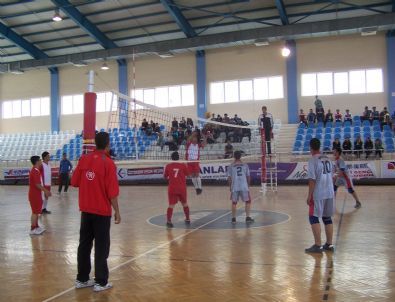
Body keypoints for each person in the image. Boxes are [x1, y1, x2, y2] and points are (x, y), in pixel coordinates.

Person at [71, 132, 121, 292]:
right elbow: (112, 193)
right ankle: (101, 281)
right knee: (101, 246)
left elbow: (74, 182)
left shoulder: (84, 159)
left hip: (85, 211)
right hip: (101, 212)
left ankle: (82, 279)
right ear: (107, 145)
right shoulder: (108, 163)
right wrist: (117, 211)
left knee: (84, 245)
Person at [305, 138, 335, 253]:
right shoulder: (327, 159)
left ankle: (318, 245)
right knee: (327, 218)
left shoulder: (312, 160)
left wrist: (309, 195)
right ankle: (329, 244)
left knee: (313, 217)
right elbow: (332, 175)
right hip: (330, 192)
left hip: (319, 193)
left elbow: (312, 180)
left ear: (310, 147)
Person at [163, 152, 190, 228]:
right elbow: (188, 175)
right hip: (182, 188)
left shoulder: (168, 166)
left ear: (171, 158)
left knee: (171, 205)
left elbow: (165, 176)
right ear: (178, 158)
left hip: (172, 188)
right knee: (185, 203)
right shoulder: (183, 165)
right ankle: (187, 219)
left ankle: (169, 221)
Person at [227, 151, 254, 224]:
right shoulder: (245, 165)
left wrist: (230, 186)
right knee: (248, 201)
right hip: (244, 186)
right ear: (240, 156)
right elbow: (248, 176)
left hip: (235, 186)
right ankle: (247, 217)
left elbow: (229, 178)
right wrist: (248, 185)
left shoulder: (231, 166)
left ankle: (233, 219)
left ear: (234, 156)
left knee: (234, 202)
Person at [29, 156, 51, 235]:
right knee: (35, 212)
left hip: (37, 194)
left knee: (37, 211)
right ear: (37, 162)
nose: (41, 161)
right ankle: (33, 228)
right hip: (34, 195)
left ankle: (36, 226)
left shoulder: (36, 170)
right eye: (40, 160)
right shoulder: (35, 171)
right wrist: (46, 191)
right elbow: (37, 184)